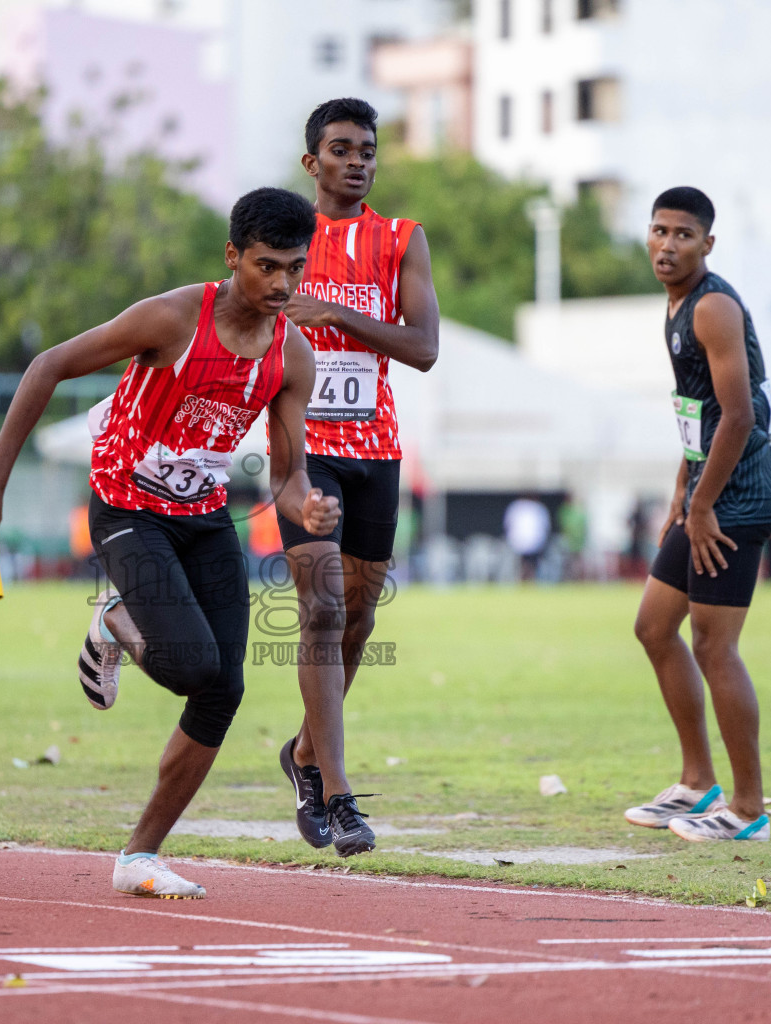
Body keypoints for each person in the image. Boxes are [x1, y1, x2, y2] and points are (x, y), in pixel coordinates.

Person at [0, 187, 339, 899]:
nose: (283, 285)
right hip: (127, 506)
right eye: (266, 267)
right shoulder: (170, 319)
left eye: (294, 268)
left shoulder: (291, 353)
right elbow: (47, 365)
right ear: (232, 257)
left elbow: (289, 476)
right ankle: (112, 619)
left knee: (224, 688)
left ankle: (140, 854)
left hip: (204, 516)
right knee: (193, 664)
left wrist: (309, 506)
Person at [273, 98, 440, 857]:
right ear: (313, 163)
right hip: (306, 452)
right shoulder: (282, 242)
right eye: (341, 149)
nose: (358, 161)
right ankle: (337, 796)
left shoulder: (401, 239)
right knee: (321, 612)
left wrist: (336, 318)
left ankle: (305, 751)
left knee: (361, 617)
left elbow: (424, 345)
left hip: (376, 453)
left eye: (367, 149)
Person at [626, 187, 771, 843]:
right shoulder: (676, 305)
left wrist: (707, 503)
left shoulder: (713, 306)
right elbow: (700, 415)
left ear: (707, 244)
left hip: (738, 497)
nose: (667, 244)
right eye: (659, 230)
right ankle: (697, 783)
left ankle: (747, 810)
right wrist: (679, 498)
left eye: (683, 234)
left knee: (716, 647)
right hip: (705, 494)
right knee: (655, 628)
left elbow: (740, 415)